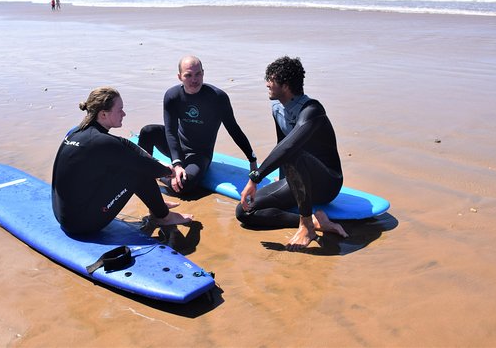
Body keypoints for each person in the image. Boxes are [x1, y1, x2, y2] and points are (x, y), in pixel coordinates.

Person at [236, 56, 348, 251]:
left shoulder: (312, 110)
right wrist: (281, 183)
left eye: (270, 80)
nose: (266, 84)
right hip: (298, 178)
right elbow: (282, 143)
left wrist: (255, 178)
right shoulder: (277, 107)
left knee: (293, 153)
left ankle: (307, 227)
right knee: (244, 212)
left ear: (285, 85)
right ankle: (315, 220)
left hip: (326, 182)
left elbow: (289, 148)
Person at [52, 87, 193, 235]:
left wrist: (156, 161)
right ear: (104, 114)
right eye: (120, 110)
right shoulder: (102, 142)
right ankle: (164, 217)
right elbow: (144, 165)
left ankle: (156, 206)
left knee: (126, 164)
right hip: (82, 224)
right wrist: (168, 170)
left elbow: (124, 144)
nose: (124, 114)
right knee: (137, 171)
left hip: (62, 215)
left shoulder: (78, 131)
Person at [138, 55, 257, 195]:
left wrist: (252, 159)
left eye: (198, 74)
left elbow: (234, 129)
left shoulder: (217, 97)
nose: (194, 80)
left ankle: (161, 175)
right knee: (148, 131)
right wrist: (177, 164)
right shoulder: (172, 95)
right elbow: (170, 131)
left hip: (199, 154)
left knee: (184, 185)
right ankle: (143, 174)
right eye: (188, 75)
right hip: (177, 146)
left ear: (203, 73)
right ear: (179, 77)